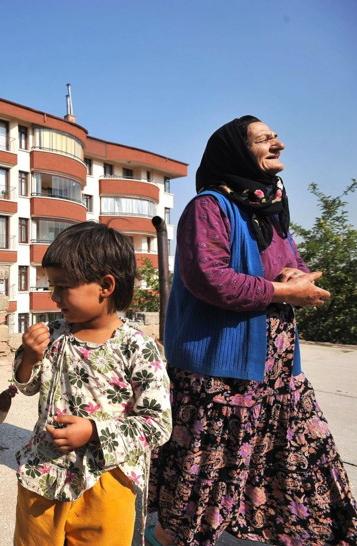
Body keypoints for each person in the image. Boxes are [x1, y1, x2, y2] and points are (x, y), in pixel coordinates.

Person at [147, 116, 357, 545]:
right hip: (222, 374)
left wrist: (294, 276)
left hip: (279, 374)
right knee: (203, 479)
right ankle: (169, 538)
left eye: (276, 136)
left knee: (301, 467)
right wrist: (282, 291)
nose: (278, 143)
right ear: (238, 152)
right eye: (265, 139)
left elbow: (281, 264)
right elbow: (209, 277)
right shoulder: (209, 207)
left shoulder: (269, 207)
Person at [13, 222, 172, 545]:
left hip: (106, 483)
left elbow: (158, 423)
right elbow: (27, 386)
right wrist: (28, 358)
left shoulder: (137, 347)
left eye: (63, 286)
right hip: (43, 474)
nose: (54, 296)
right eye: (51, 286)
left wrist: (93, 431)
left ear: (106, 285)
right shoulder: (55, 333)